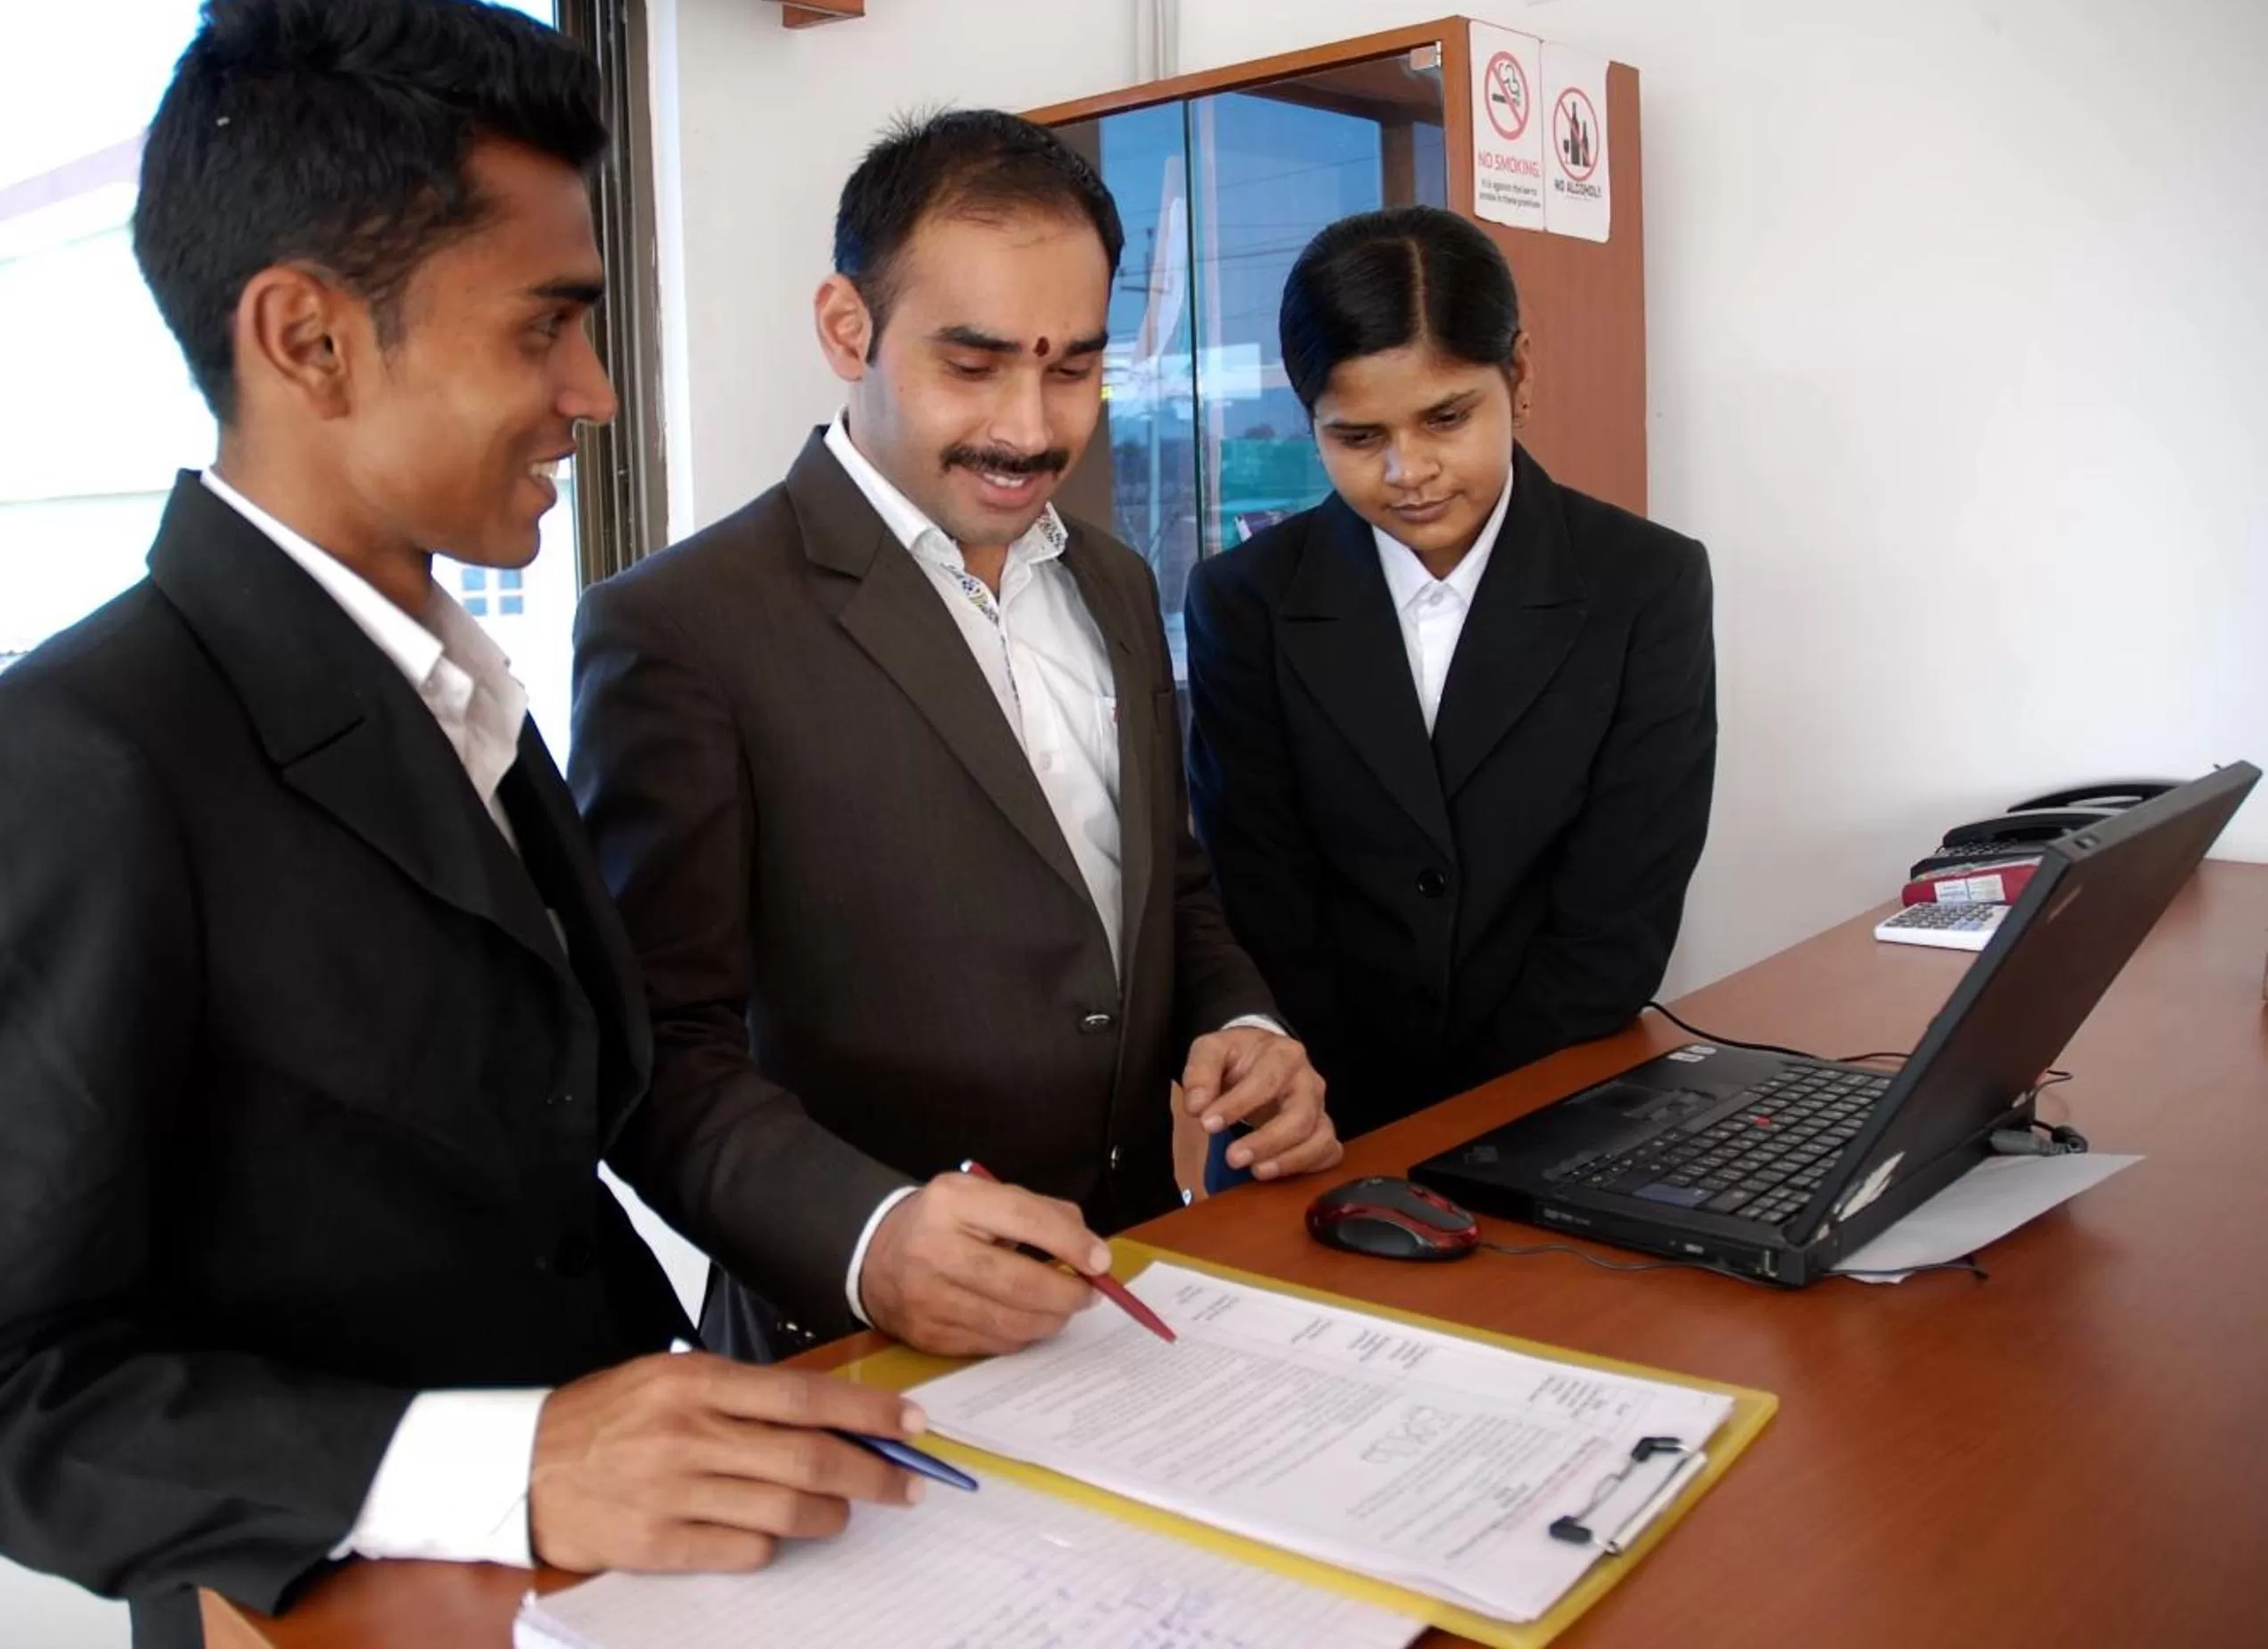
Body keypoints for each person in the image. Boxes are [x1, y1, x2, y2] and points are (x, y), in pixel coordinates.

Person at [0, 0, 930, 1649]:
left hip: (635, 1567)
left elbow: (587, 1100)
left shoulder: (460, 692)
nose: (596, 391)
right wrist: (521, 1459)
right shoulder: (65, 761)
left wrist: (872, 1237)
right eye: (542, 324)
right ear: (307, 337)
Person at [571, 110, 1345, 1364]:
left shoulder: (1114, 580)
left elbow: (1165, 894)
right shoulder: (682, 627)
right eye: (972, 366)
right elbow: (655, 1058)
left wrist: (1249, 1034)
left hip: (1137, 1289)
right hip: (859, 1337)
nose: (1032, 429)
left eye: (1077, 367)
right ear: (846, 328)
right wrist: (868, 1239)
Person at [1184, 206, 1716, 1140]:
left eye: (1446, 418)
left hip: (1556, 1105)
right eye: (1358, 437)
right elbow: (1265, 904)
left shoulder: (1646, 584)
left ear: (1516, 373)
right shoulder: (1244, 602)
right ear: (1311, 420)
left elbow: (1615, 921)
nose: (1409, 470)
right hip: (1317, 1120)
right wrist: (1348, 1132)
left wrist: (1470, 1132)